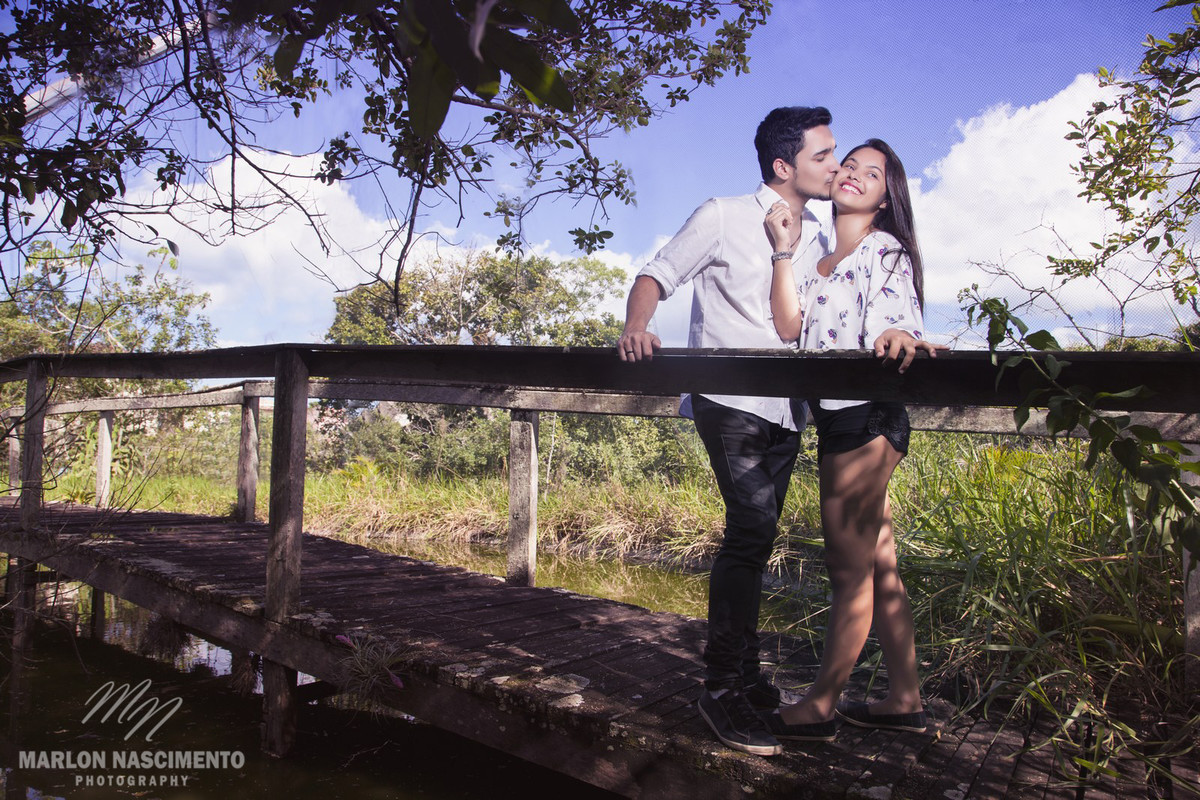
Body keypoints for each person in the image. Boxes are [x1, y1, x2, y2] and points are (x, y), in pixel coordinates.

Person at [616, 107, 837, 757]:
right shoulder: (722, 214)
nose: (834, 166)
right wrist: (637, 326)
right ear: (783, 165)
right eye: (823, 155)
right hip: (729, 400)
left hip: (787, 411)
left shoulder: (819, 236)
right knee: (750, 530)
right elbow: (655, 275)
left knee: (758, 538)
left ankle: (744, 670)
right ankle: (719, 687)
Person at [760, 139, 940, 741]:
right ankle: (905, 700)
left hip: (866, 417)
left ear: (886, 198)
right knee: (879, 566)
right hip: (838, 419)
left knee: (848, 571)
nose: (856, 175)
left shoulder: (884, 249)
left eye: (874, 174)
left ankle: (821, 705)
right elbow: (790, 326)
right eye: (850, 166)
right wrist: (783, 253)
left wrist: (899, 332)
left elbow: (896, 318)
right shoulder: (817, 257)